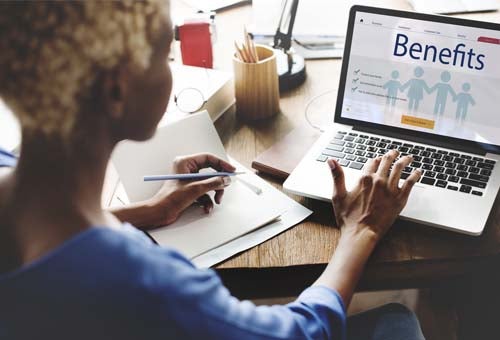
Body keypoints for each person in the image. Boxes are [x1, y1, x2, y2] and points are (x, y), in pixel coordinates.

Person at [0, 1, 425, 339]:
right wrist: (361, 230)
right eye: (165, 55)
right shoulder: (146, 285)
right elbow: (300, 333)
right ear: (116, 89)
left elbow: (52, 238)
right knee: (396, 323)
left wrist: (146, 212)